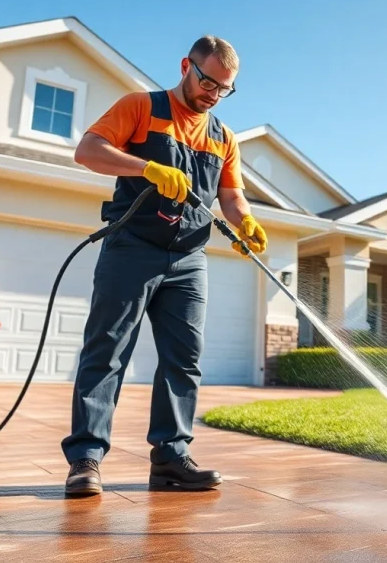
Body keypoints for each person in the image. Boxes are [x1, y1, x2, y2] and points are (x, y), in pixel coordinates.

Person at [60, 35, 267, 497]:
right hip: (132, 247)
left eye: (223, 88)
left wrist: (246, 220)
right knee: (107, 350)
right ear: (185, 65)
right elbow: (88, 151)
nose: (213, 93)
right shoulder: (141, 106)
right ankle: (86, 459)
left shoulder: (223, 137)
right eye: (207, 80)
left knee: (183, 358)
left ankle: (171, 458)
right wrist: (145, 168)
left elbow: (230, 195)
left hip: (190, 257)